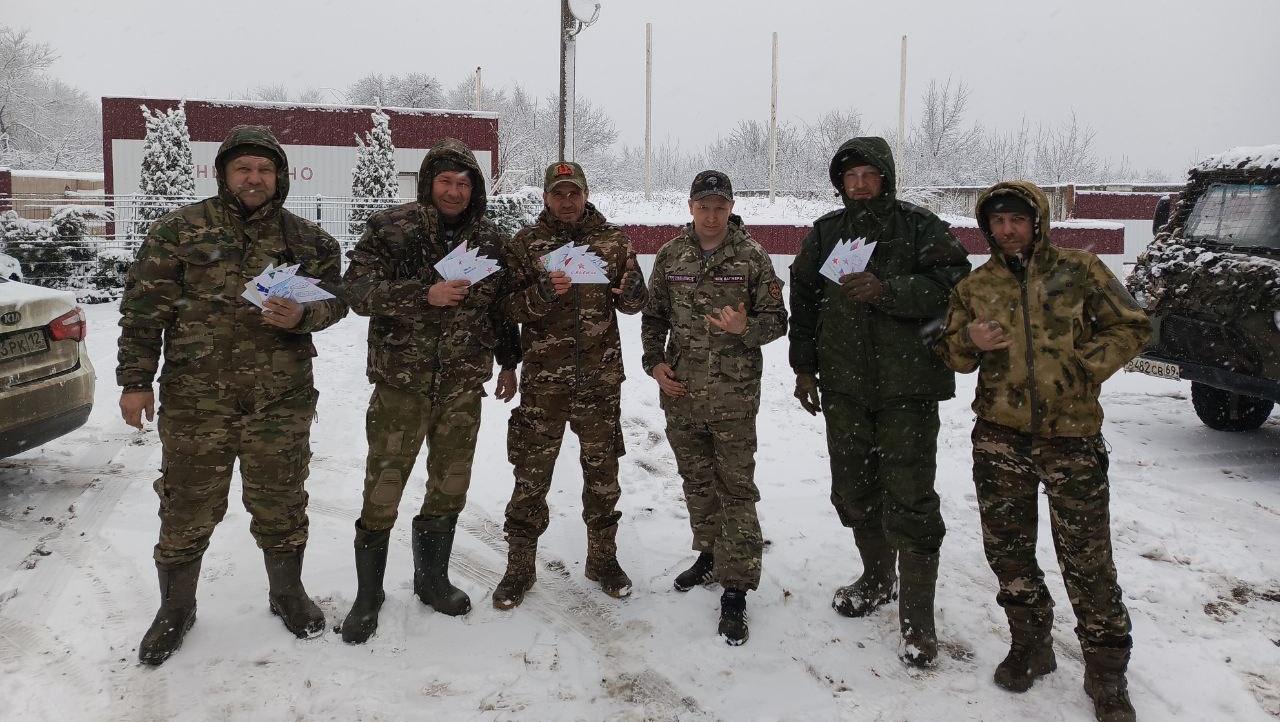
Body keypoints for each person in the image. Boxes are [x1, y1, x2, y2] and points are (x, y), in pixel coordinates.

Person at [117, 125, 349, 665]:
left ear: (280, 177)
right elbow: (143, 311)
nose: (254, 178)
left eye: (265, 169)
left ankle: (287, 592)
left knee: (282, 500)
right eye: (243, 168)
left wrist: (304, 315)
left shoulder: (309, 241)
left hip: (280, 400)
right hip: (197, 401)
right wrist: (135, 381)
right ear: (223, 173)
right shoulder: (179, 231)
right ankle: (176, 607)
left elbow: (337, 301)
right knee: (186, 505)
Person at [936, 181, 1148, 722]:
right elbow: (952, 354)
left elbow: (1132, 325)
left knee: (1087, 558)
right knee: (1008, 551)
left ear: (1037, 222)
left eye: (1017, 220)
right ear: (987, 227)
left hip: (1071, 438)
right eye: (998, 221)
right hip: (1000, 438)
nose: (1008, 230)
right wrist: (970, 343)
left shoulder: (1080, 270)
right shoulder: (976, 285)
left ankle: (1106, 670)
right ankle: (1031, 644)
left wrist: (1086, 365)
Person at [338, 138, 555, 643]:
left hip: (461, 386)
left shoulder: (491, 241)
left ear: (474, 189)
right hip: (401, 385)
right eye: (445, 181)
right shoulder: (392, 229)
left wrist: (509, 361)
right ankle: (368, 595)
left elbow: (500, 307)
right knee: (383, 488)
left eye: (463, 183)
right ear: (427, 183)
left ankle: (432, 580)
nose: (454, 191)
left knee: (450, 485)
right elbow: (356, 291)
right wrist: (424, 295)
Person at [788, 136, 970, 667]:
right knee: (854, 488)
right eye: (851, 177)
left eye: (869, 175)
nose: (860, 184)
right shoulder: (827, 233)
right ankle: (876, 577)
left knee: (911, 498)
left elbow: (957, 287)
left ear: (885, 177)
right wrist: (804, 368)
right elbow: (805, 299)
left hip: (906, 389)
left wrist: (888, 289)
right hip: (844, 386)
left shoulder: (920, 227)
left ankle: (918, 621)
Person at [491, 161, 647, 610]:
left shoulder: (613, 241)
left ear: (585, 194)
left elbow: (635, 303)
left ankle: (602, 560)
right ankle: (520, 567)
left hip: (600, 381)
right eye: (558, 193)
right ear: (546, 197)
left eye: (573, 192)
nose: (566, 201)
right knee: (531, 476)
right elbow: (505, 308)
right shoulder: (526, 244)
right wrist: (540, 295)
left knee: (603, 477)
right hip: (545, 385)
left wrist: (633, 292)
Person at [641, 170, 787, 646]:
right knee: (697, 482)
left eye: (719, 207)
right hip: (681, 392)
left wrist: (747, 327)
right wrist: (655, 364)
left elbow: (777, 321)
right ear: (690, 207)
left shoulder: (752, 257)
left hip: (732, 397)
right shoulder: (671, 255)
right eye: (703, 206)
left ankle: (736, 586)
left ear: (731, 208)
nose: (711, 215)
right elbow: (653, 317)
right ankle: (709, 554)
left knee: (736, 490)